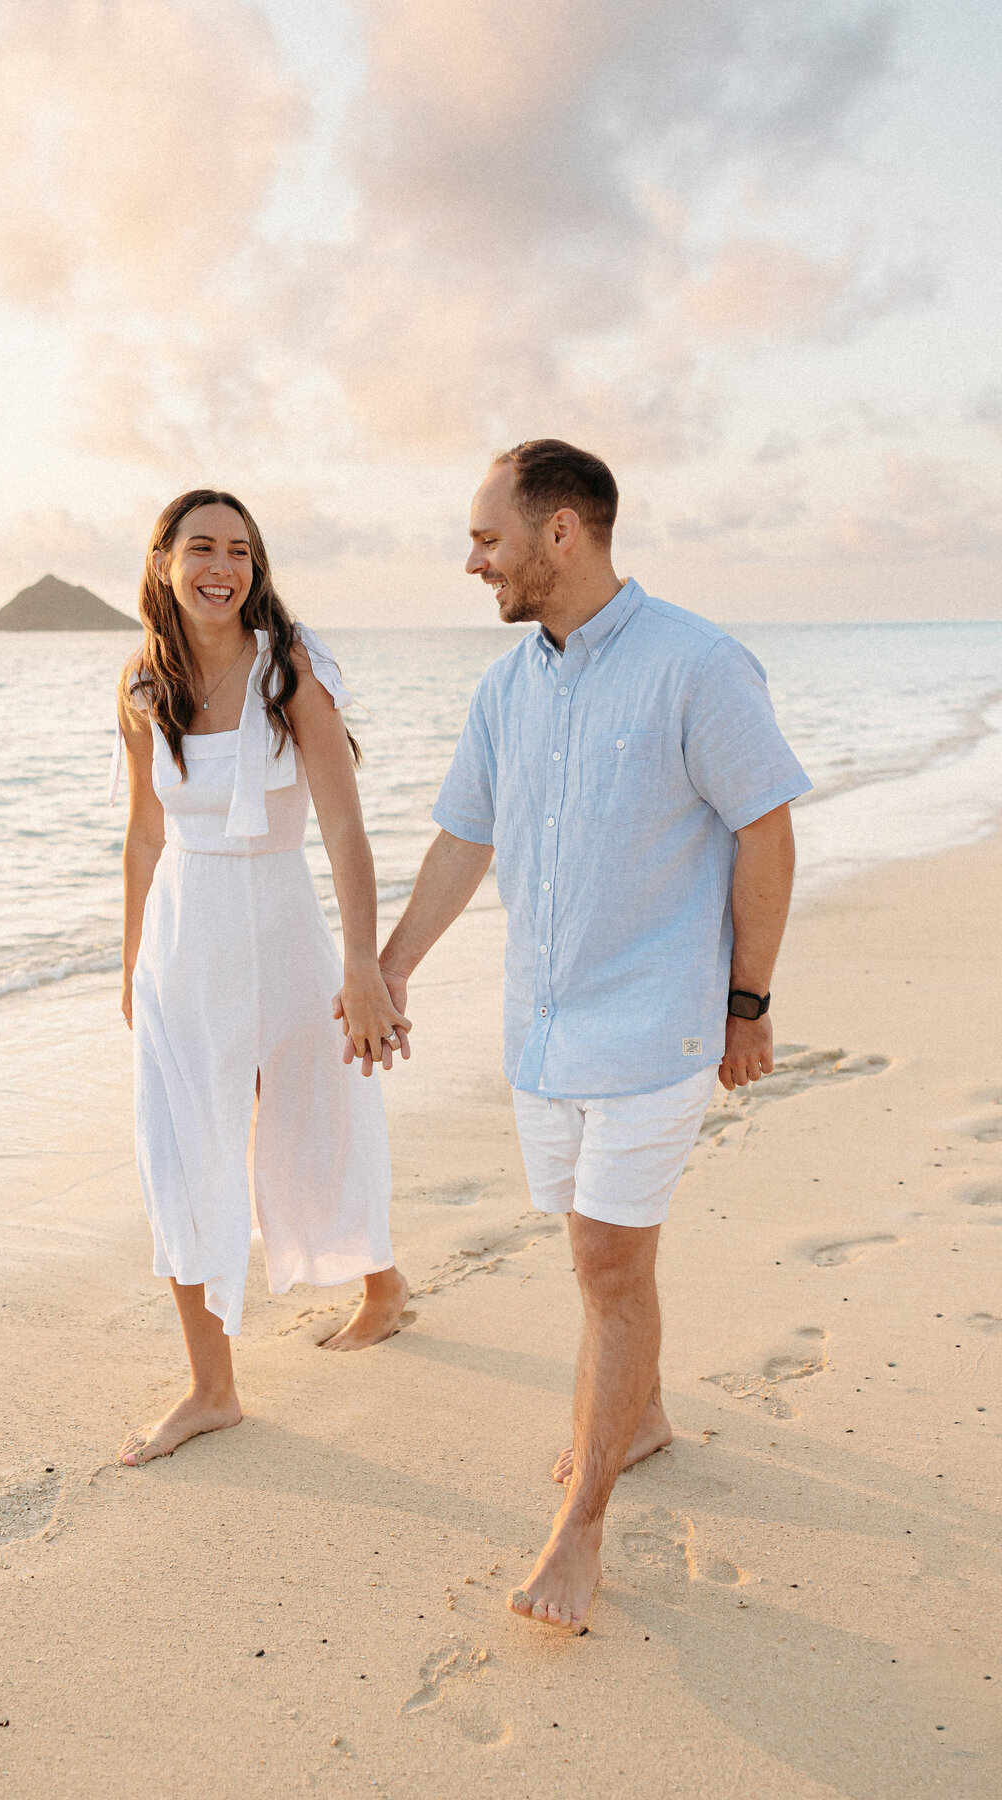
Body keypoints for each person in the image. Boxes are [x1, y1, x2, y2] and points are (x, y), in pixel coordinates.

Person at [370, 440, 811, 1629]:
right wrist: (391, 967)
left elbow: (765, 832)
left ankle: (583, 1531)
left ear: (562, 531)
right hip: (543, 1032)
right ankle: (648, 1413)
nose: (473, 561)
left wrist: (749, 1005)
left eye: (486, 536)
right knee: (596, 1248)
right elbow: (467, 838)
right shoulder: (507, 688)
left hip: (658, 1026)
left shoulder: (697, 665)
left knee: (607, 1268)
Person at [110, 488, 410, 1467]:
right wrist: (129, 967)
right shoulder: (141, 688)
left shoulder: (295, 669)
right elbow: (145, 836)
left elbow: (344, 827)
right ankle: (212, 1388)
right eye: (202, 548)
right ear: (165, 561)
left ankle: (383, 1287)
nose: (223, 568)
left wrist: (363, 966)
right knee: (181, 1149)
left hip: (282, 926)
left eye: (241, 551)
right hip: (183, 944)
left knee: (323, 1111)